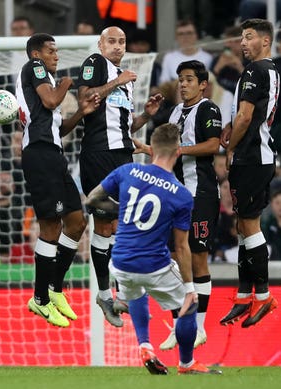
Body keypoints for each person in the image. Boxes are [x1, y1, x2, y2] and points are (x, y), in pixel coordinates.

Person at [85, 123, 221, 375]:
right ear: (177, 151)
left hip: (120, 262)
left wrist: (123, 210)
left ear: (152, 149)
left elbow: (92, 199)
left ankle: (145, 345)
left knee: (136, 292)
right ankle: (187, 363)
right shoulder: (181, 194)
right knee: (187, 305)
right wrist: (191, 289)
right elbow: (181, 247)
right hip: (153, 265)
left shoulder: (128, 170)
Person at [77, 26, 164, 327]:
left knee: (118, 225)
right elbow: (85, 98)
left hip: (122, 154)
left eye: (121, 42)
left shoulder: (122, 82)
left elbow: (123, 128)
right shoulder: (95, 64)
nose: (117, 46)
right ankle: (106, 292)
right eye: (111, 41)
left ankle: (116, 292)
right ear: (100, 44)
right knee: (105, 223)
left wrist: (147, 116)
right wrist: (118, 81)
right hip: (99, 153)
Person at [15, 33, 100, 328]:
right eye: (51, 50)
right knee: (51, 224)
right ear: (37, 54)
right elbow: (52, 101)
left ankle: (55, 289)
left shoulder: (44, 82)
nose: (56, 55)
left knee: (77, 222)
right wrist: (66, 83)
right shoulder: (35, 68)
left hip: (52, 152)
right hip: (39, 155)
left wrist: (81, 112)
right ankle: (39, 299)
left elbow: (57, 127)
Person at [137, 60, 221, 350]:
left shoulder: (208, 109)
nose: (183, 84)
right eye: (180, 79)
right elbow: (169, 154)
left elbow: (213, 145)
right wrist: (147, 148)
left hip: (201, 193)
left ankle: (198, 327)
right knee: (174, 259)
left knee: (197, 257)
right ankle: (181, 324)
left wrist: (179, 149)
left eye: (188, 79)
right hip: (175, 194)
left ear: (202, 84)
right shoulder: (175, 112)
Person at [220, 18, 279, 328]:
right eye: (242, 37)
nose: (243, 42)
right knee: (243, 225)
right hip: (257, 154)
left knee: (249, 224)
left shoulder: (256, 71)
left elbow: (244, 117)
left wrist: (231, 148)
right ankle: (245, 295)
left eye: (249, 36)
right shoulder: (269, 70)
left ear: (265, 41)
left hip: (252, 156)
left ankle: (264, 295)